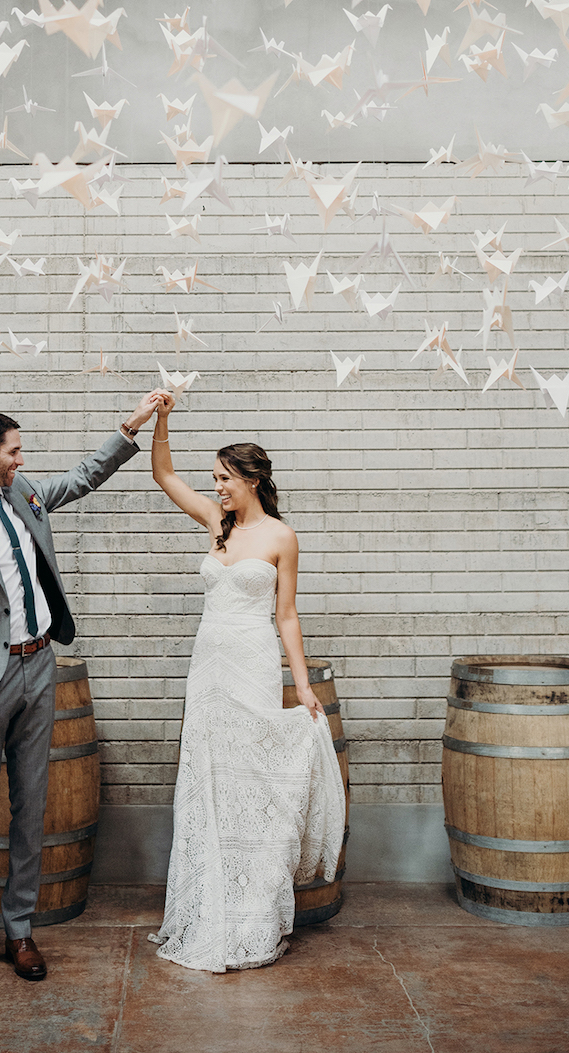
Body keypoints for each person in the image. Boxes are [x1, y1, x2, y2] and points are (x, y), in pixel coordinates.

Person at [0, 396, 159, 983]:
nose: (22, 459)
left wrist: (130, 427)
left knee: (32, 806)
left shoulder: (24, 497)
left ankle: (19, 930)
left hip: (40, 666)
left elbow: (81, 478)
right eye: (14, 450)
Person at [147, 393, 347, 973]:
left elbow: (286, 616)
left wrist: (303, 685)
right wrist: (163, 418)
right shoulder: (216, 525)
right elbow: (163, 473)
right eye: (214, 479)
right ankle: (209, 908)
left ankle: (252, 911)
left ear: (253, 480)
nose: (217, 489)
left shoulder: (282, 538)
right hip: (208, 663)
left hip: (253, 662)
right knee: (208, 779)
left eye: (226, 479)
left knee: (250, 784)